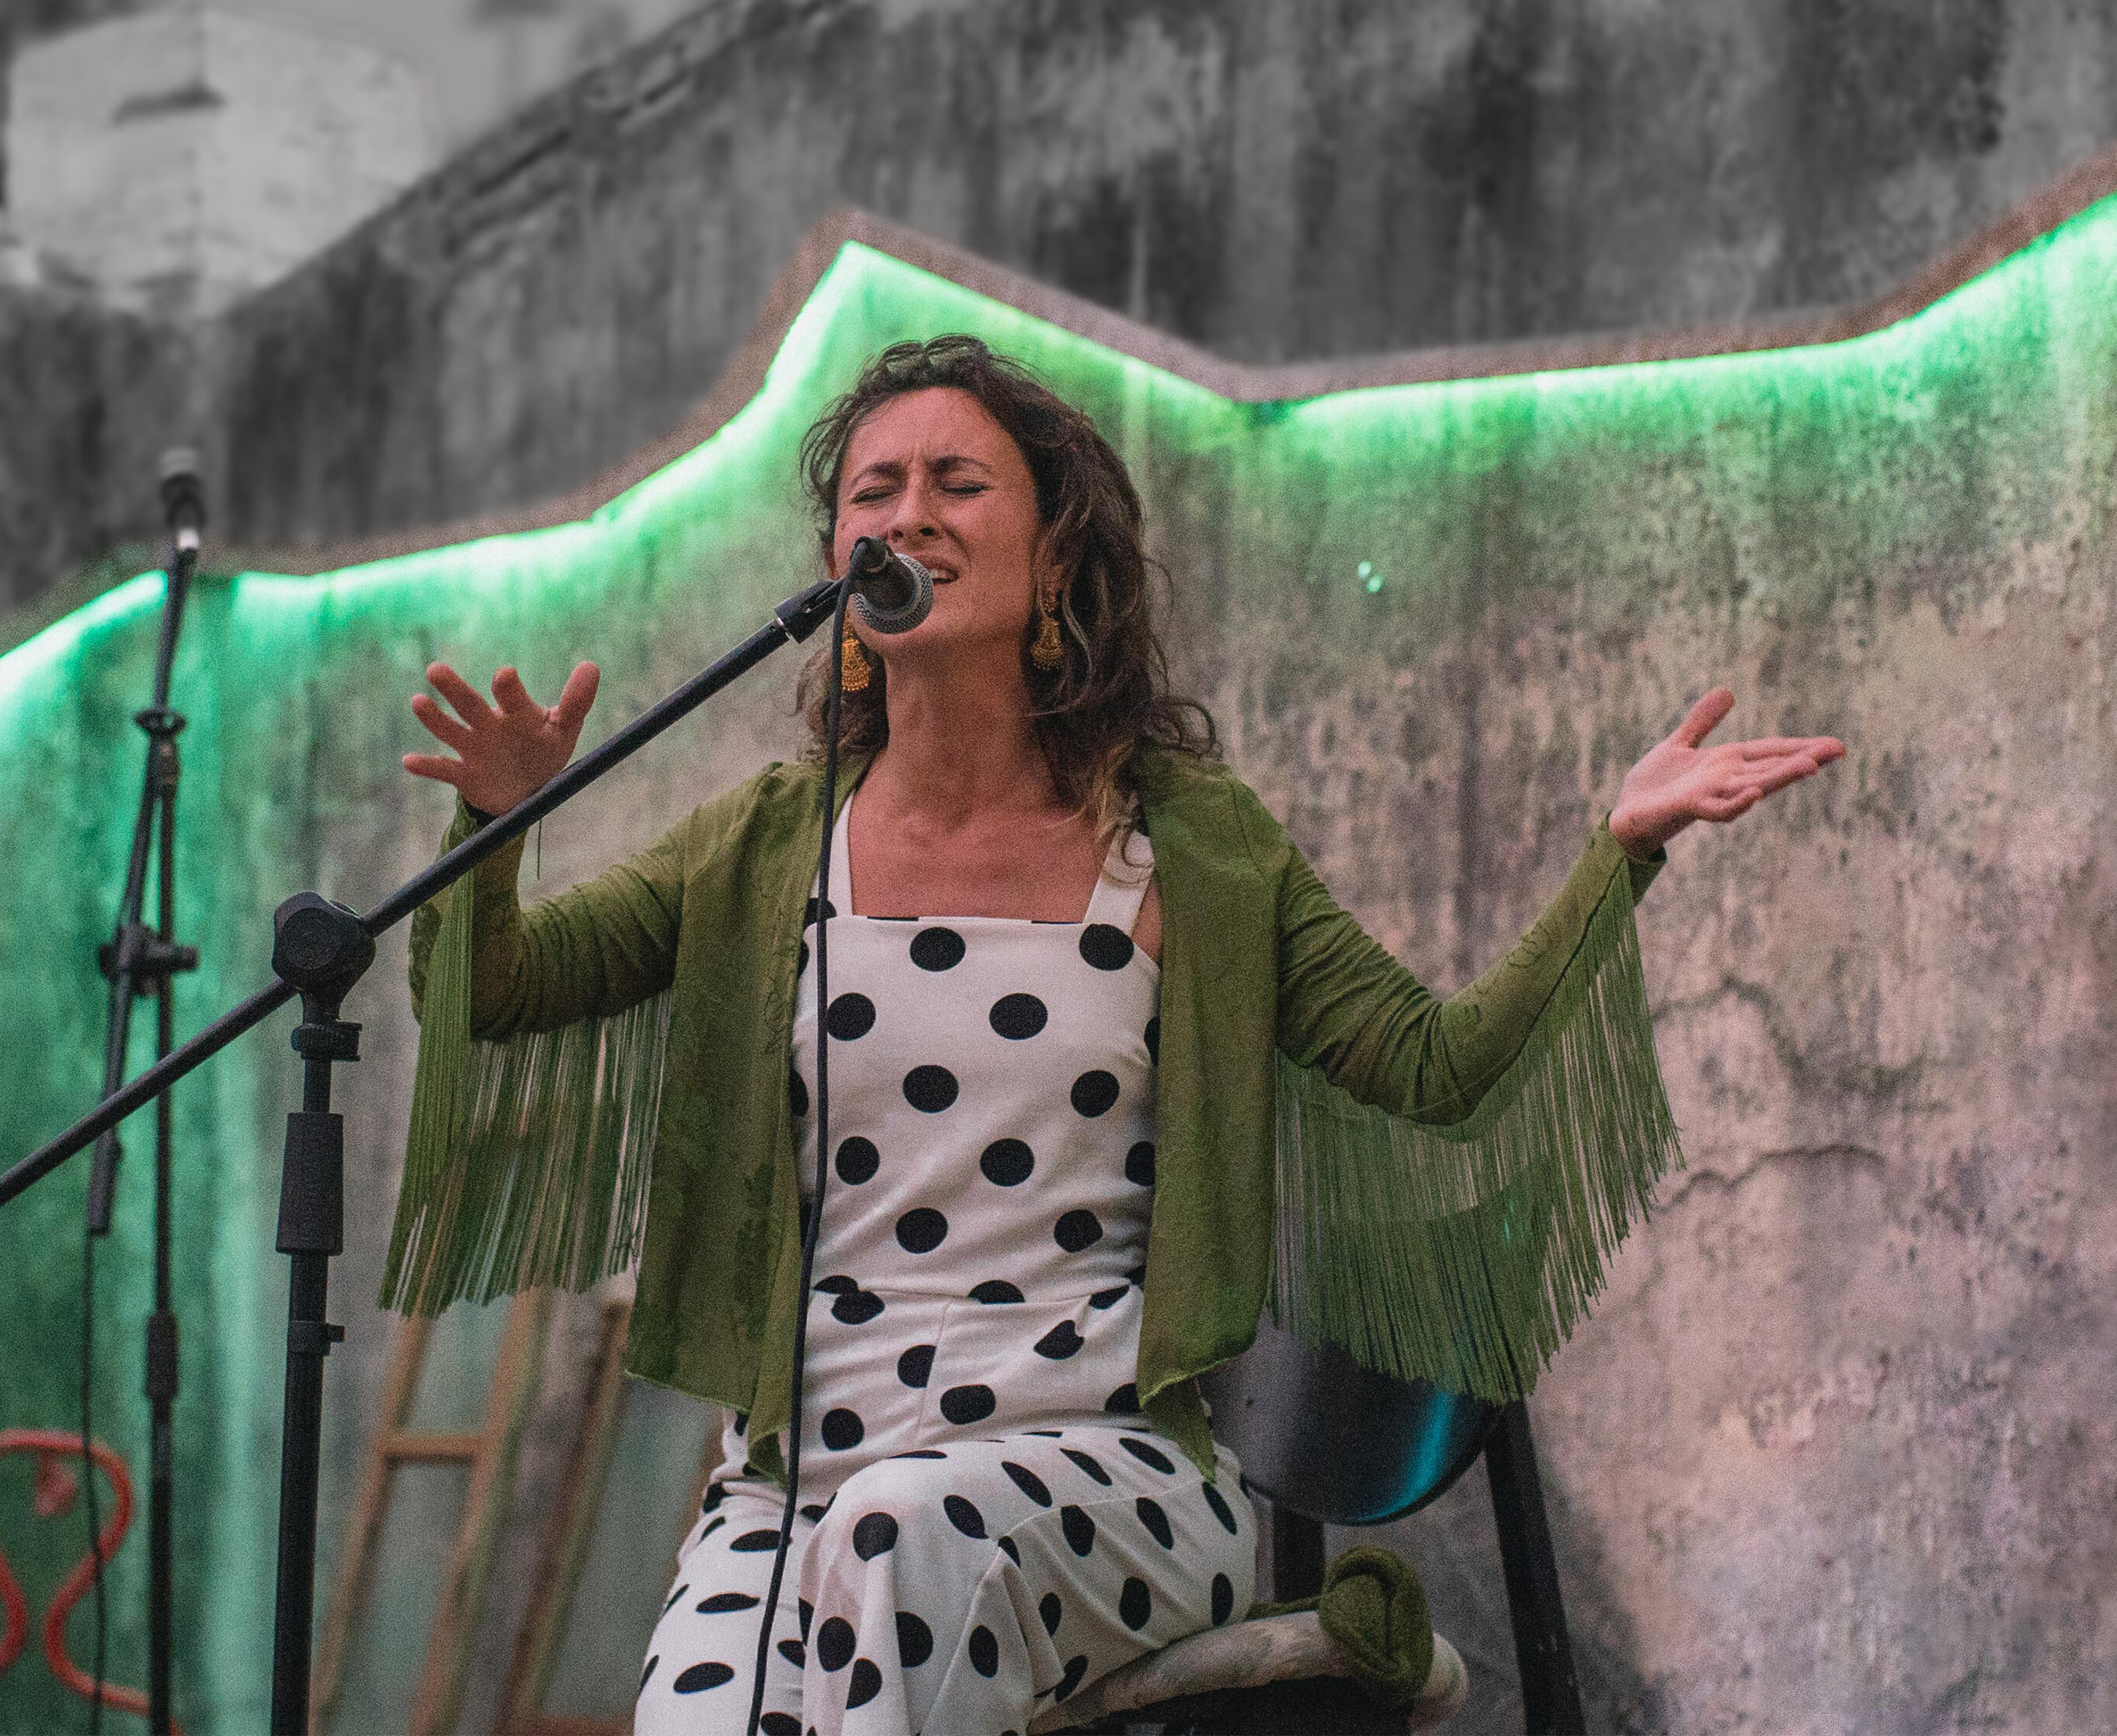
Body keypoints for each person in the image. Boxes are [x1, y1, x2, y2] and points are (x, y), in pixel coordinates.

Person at [384, 335, 1842, 1736]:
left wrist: (1620, 853)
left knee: (897, 1538)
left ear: (1055, 560)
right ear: (839, 570)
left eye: (958, 482)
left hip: (1109, 1480)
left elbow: (1435, 1067)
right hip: (791, 1497)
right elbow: (497, 989)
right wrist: (491, 829)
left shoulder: (1188, 847)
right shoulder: (763, 847)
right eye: (874, 490)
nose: (908, 512)